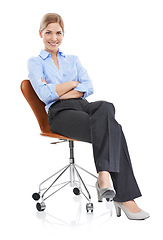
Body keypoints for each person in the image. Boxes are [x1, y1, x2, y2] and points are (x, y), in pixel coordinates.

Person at [27, 13, 149, 220]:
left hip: (83, 106)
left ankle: (104, 176)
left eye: (58, 33)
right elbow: (46, 95)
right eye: (48, 32)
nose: (53, 38)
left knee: (106, 107)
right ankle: (125, 197)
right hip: (60, 112)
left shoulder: (73, 60)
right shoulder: (35, 62)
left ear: (63, 34)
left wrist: (61, 89)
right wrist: (74, 84)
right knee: (114, 129)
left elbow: (89, 86)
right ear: (40, 33)